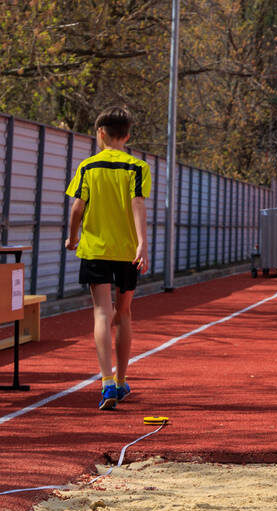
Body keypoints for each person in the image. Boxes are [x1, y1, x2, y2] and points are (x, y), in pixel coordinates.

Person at [64, 106, 150, 410]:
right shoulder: (137, 167)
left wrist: (73, 238)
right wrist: (142, 244)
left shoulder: (88, 167)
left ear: (101, 133)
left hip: (96, 249)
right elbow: (138, 204)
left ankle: (107, 382)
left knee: (101, 312)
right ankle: (123, 379)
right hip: (127, 250)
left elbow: (77, 208)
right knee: (124, 313)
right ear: (127, 135)